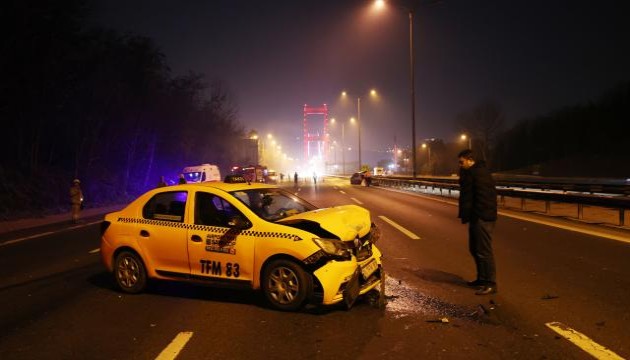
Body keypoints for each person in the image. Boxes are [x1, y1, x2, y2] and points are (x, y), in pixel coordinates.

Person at [457, 149, 498, 295]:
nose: (460, 165)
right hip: (476, 217)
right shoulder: (471, 173)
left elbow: (485, 198)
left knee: (483, 251)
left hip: (482, 218)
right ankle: (481, 278)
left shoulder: (480, 173)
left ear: (470, 160)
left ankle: (490, 283)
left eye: (461, 162)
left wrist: (479, 215)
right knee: (474, 249)